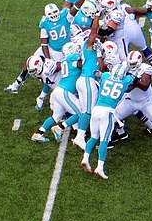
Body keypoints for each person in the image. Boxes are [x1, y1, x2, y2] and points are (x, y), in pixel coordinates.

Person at [4, 0, 85, 110]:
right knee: (30, 62)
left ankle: (42, 97)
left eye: (55, 12)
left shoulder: (65, 16)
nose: (54, 15)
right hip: (49, 49)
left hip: (63, 52)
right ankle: (17, 84)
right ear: (47, 15)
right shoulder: (45, 24)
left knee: (52, 76)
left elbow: (76, 7)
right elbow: (44, 43)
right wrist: (48, 59)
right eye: (51, 14)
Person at [81, 63, 134, 179]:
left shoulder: (105, 76)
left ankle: (85, 158)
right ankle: (100, 167)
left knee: (93, 137)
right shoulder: (126, 80)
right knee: (104, 140)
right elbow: (132, 78)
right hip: (108, 112)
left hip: (96, 109)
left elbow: (104, 74)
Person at [99, 0, 152, 77]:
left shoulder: (116, 14)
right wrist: (150, 9)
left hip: (120, 35)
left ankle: (127, 76)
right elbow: (135, 11)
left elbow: (108, 31)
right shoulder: (123, 7)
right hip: (134, 29)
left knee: (122, 59)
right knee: (144, 48)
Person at [36, 42, 84, 143]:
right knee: (80, 113)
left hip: (57, 91)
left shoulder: (64, 60)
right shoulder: (74, 58)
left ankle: (38, 134)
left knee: (56, 116)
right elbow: (82, 65)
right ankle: (59, 128)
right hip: (65, 91)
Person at [72, 16, 105, 150]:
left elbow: (101, 68)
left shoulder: (95, 49)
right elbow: (93, 31)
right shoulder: (88, 45)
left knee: (87, 110)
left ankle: (83, 135)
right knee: (88, 111)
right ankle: (80, 137)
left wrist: (99, 55)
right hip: (87, 79)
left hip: (87, 80)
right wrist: (97, 16)